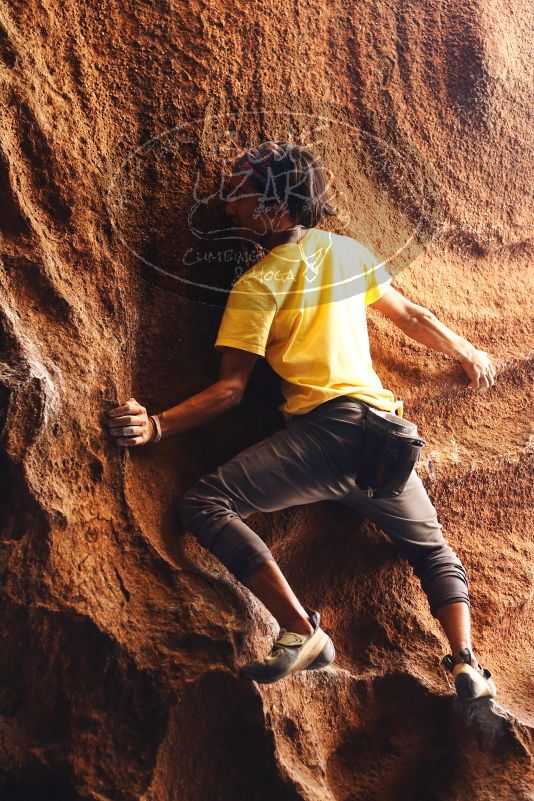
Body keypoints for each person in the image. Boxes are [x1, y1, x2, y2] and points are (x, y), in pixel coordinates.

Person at [105, 141, 497, 700]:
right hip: (385, 442)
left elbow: (230, 391)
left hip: (328, 434)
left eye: (239, 192)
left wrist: (158, 425)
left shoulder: (258, 284)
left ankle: (300, 630)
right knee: (433, 551)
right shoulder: (347, 253)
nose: (227, 203)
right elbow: (413, 315)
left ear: (273, 204)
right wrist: (466, 352)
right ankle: (467, 665)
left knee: (204, 505)